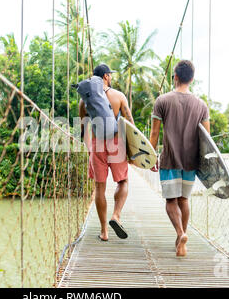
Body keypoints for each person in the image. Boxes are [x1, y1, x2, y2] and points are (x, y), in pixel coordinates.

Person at [149, 60, 210, 257]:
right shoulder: (201, 105)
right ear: (192, 79)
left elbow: (155, 134)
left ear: (175, 76)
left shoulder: (162, 101)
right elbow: (206, 139)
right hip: (190, 162)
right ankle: (181, 240)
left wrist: (150, 157)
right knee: (184, 200)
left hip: (169, 159)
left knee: (170, 201)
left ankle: (180, 233)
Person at [79, 64, 135, 242]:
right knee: (123, 181)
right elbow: (130, 124)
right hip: (117, 143)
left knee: (99, 188)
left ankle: (104, 232)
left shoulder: (85, 99)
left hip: (97, 144)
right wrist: (134, 151)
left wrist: (90, 148)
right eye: (110, 74)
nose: (111, 77)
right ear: (105, 76)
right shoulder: (118, 96)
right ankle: (116, 215)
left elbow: (83, 127)